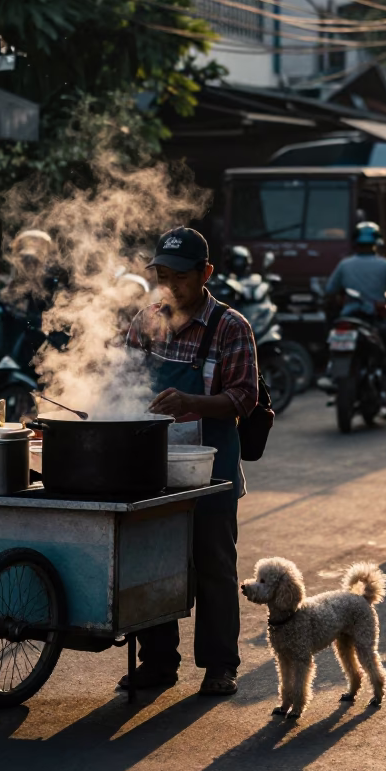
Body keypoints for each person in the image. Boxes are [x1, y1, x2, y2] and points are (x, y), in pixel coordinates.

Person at [124, 226, 258, 697]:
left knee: (215, 566)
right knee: (152, 561)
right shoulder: (147, 319)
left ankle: (220, 665)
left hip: (212, 468)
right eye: (162, 275)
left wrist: (193, 401)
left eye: (179, 276)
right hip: (154, 464)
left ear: (205, 273)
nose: (170, 285)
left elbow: (244, 396)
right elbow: (125, 379)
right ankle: (158, 663)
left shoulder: (230, 326)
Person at [325, 221, 386, 392]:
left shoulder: (344, 264)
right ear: (377, 243)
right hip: (373, 320)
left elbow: (330, 289)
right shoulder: (385, 264)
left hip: (348, 318)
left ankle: (330, 374)